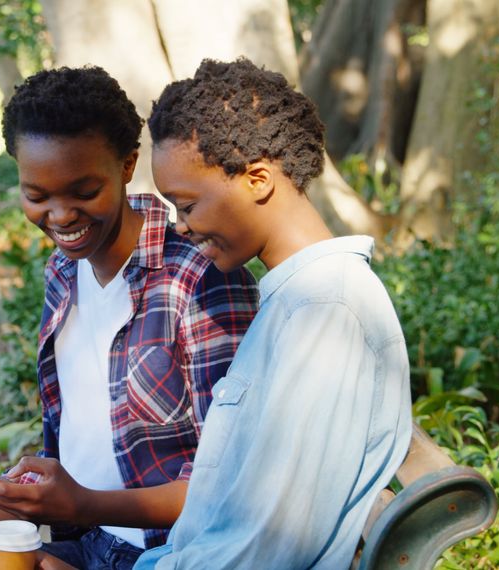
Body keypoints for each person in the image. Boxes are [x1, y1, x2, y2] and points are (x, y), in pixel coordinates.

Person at [0, 66, 258, 570]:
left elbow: (229, 485)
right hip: (77, 541)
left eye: (83, 191)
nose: (61, 215)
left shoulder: (201, 279)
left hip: (163, 555)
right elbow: (73, 454)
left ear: (127, 165)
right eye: (37, 195)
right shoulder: (62, 274)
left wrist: (81, 505)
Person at [110, 58, 410, 568]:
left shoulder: (325, 312)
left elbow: (265, 547)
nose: (181, 226)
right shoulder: (293, 301)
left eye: (187, 205)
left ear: (257, 180)